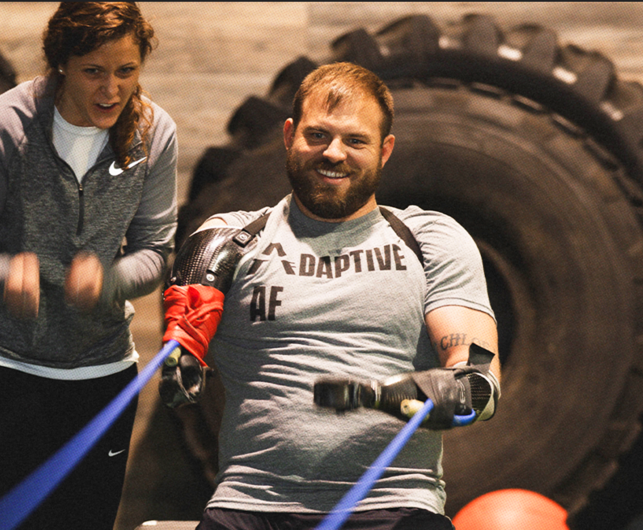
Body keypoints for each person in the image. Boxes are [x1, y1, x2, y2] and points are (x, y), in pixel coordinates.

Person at [159, 62, 501, 530]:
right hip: (251, 504)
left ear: (385, 150)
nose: (334, 153)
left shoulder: (431, 240)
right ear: (288, 135)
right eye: (317, 135)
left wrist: (381, 396)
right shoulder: (227, 240)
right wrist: (180, 361)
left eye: (355, 141)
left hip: (394, 505)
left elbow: (478, 389)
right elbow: (184, 339)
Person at [0, 3, 177, 528]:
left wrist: (111, 280)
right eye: (94, 71)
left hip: (100, 368)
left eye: (126, 71)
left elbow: (156, 252)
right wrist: (4, 277)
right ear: (61, 64)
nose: (111, 90)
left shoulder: (154, 133)